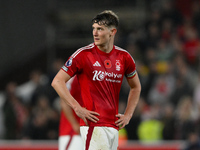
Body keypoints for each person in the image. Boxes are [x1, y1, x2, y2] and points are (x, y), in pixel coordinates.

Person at [52, 10, 141, 150]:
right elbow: (57, 81)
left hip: (113, 127)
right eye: (94, 28)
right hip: (93, 126)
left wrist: (128, 115)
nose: (95, 33)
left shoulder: (124, 57)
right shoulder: (83, 55)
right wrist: (77, 108)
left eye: (100, 29)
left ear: (112, 32)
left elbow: (136, 87)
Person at [59, 76, 83, 150]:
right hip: (72, 132)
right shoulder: (71, 77)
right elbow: (64, 102)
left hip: (86, 130)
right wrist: (74, 124)